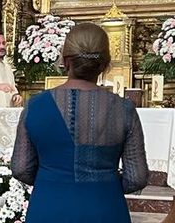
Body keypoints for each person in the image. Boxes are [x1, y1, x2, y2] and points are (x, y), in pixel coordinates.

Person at [11, 23, 148, 223]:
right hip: (105, 208)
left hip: (49, 207)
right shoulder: (123, 110)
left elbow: (21, 168)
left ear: (66, 61)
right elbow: (137, 177)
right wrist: (104, 183)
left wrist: (52, 181)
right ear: (104, 64)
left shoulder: (36, 106)